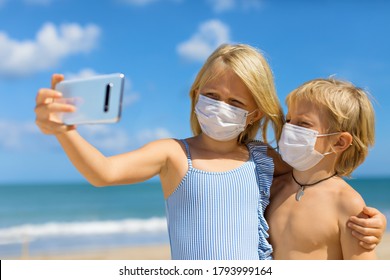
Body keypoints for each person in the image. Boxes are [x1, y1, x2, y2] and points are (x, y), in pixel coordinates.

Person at [35, 44, 385, 260]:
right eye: (213, 96)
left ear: (256, 112)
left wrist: (370, 222)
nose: (221, 107)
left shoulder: (263, 160)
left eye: (235, 102)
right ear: (195, 94)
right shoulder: (173, 154)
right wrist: (65, 132)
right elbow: (103, 172)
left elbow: (316, 181)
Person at [266, 78, 383, 259]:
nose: (288, 128)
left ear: (339, 142)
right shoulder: (274, 187)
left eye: (303, 124)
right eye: (288, 120)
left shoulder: (346, 202)